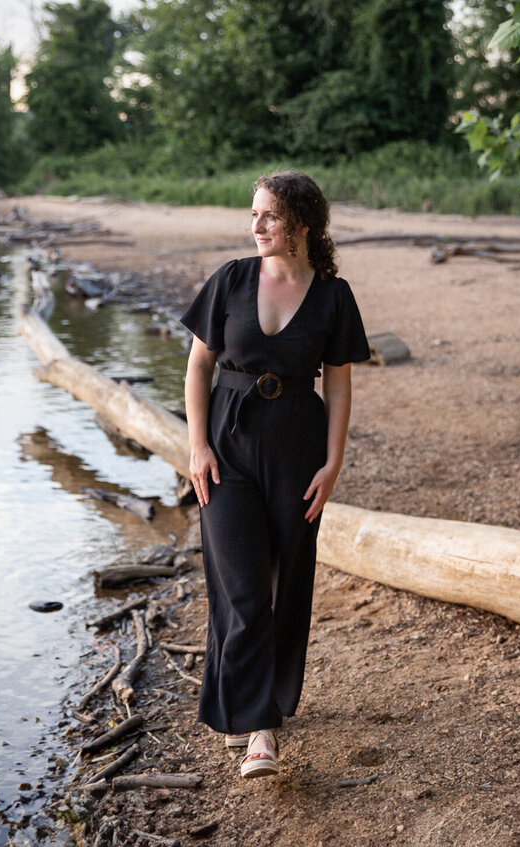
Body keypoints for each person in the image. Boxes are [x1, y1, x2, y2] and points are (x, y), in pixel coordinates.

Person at [180, 171, 371, 779]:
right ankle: (260, 725)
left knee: (287, 580)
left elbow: (338, 384)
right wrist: (197, 447)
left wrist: (334, 460)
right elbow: (197, 367)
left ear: (302, 225)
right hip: (227, 446)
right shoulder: (232, 279)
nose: (255, 225)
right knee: (238, 582)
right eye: (253, 214)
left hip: (297, 445)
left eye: (268, 215)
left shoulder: (334, 296)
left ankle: (255, 702)